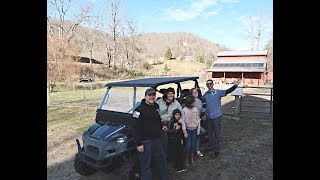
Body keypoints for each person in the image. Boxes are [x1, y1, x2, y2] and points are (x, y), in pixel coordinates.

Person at [134, 88, 169, 180]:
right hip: (145, 142)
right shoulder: (138, 110)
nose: (152, 97)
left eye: (153, 95)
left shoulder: (156, 106)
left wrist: (161, 126)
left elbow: (157, 119)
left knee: (162, 161)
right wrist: (139, 144)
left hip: (157, 140)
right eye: (149, 95)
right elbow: (135, 127)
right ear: (145, 97)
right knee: (146, 165)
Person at [202, 78, 241, 157]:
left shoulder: (218, 92)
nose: (209, 85)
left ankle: (216, 150)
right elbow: (202, 102)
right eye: (207, 84)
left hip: (216, 116)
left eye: (210, 83)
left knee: (216, 133)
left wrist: (236, 85)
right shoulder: (205, 95)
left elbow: (228, 91)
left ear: (213, 84)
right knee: (209, 133)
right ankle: (210, 147)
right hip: (209, 117)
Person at [156, 87, 182, 158]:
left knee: (173, 139)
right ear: (166, 94)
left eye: (172, 93)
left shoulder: (176, 103)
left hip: (171, 123)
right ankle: (163, 157)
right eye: (169, 93)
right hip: (160, 122)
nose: (171, 95)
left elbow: (182, 114)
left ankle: (170, 157)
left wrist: (179, 123)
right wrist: (160, 123)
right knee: (163, 140)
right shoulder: (159, 102)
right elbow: (154, 113)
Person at [181, 95, 200, 167]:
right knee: (188, 145)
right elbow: (183, 122)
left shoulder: (195, 109)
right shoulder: (184, 110)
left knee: (193, 145)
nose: (194, 103)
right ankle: (186, 159)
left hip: (194, 130)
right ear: (189, 103)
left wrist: (198, 130)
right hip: (188, 130)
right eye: (193, 102)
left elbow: (198, 120)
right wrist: (184, 132)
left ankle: (191, 159)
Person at [168, 109, 186, 173]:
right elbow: (170, 130)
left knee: (180, 153)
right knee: (175, 154)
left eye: (179, 115)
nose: (177, 116)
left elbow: (181, 132)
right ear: (174, 115)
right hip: (173, 140)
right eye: (176, 115)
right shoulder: (172, 121)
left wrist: (181, 139)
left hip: (179, 140)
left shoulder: (180, 122)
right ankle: (178, 166)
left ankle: (182, 166)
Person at [190, 88, 205, 157]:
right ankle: (191, 152)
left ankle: (197, 150)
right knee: (201, 132)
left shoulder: (199, 101)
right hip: (191, 121)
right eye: (193, 92)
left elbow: (201, 111)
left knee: (198, 135)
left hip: (198, 120)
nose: (195, 93)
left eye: (196, 91)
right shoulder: (190, 101)